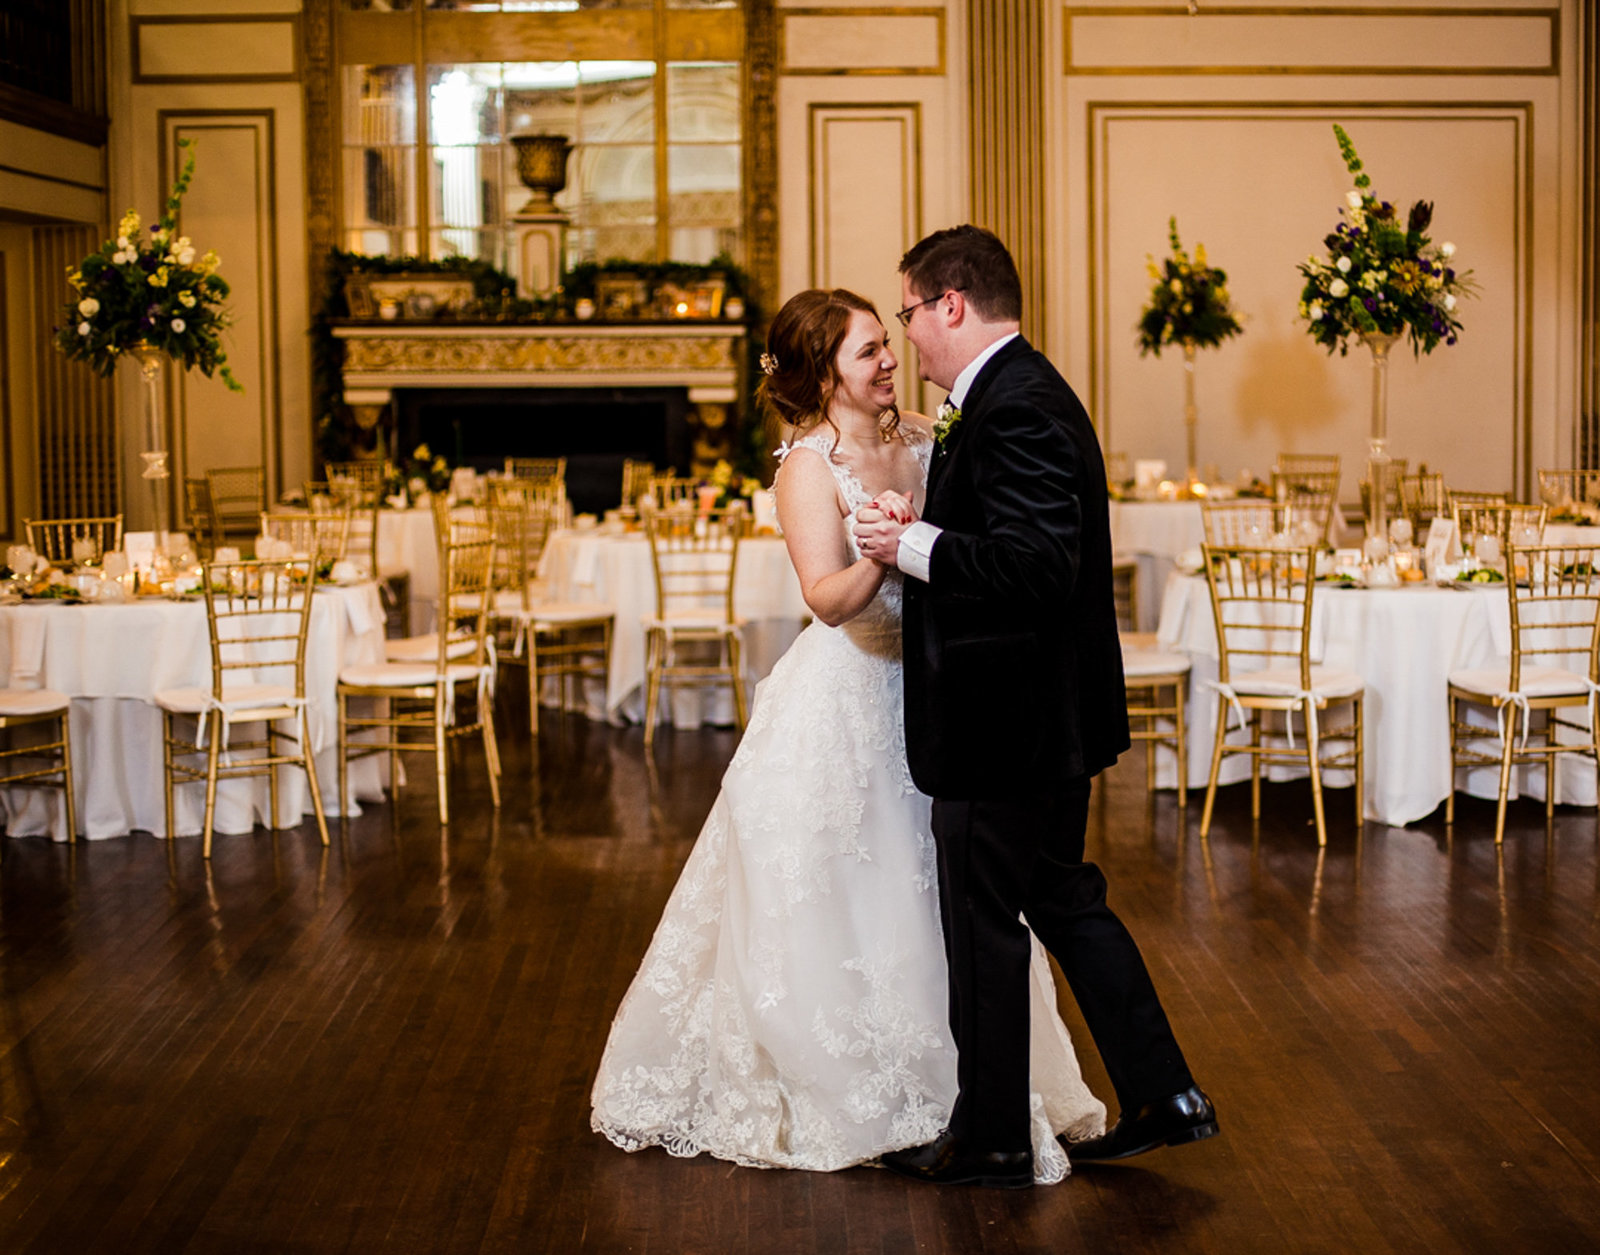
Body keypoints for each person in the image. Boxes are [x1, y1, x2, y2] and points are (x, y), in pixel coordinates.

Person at [590, 288, 1106, 1181]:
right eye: (869, 350)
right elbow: (824, 602)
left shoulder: (924, 438)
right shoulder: (806, 467)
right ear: (824, 371)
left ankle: (966, 1092)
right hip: (849, 695)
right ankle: (849, 1087)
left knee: (946, 894)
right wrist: (881, 550)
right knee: (843, 897)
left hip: (942, 692)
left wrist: (925, 537)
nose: (888, 360)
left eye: (886, 343)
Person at [853, 226, 1217, 1187]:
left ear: (952, 306)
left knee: (984, 920)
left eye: (909, 313)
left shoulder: (1014, 405)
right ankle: (1163, 1090)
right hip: (1039, 716)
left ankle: (994, 1138)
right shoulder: (1013, 396)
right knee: (1062, 895)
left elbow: (1036, 565)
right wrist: (928, 526)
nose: (908, 336)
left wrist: (909, 550)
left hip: (1000, 723)